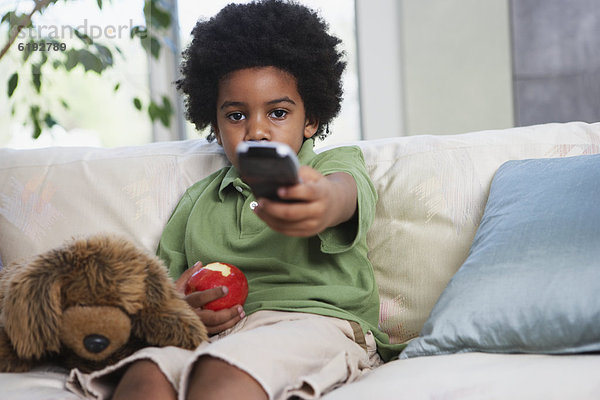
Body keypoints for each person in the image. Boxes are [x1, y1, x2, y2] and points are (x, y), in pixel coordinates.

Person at [111, 1, 401, 399]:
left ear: (311, 119)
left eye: (278, 113)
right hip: (219, 336)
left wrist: (318, 201)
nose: (257, 131)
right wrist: (179, 308)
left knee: (220, 373)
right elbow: (166, 294)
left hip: (316, 324)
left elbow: (341, 195)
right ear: (214, 124)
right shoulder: (197, 200)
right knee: (146, 373)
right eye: (235, 116)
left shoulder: (333, 166)